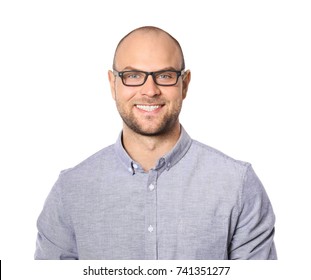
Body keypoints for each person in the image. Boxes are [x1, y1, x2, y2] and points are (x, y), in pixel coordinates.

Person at [35, 26, 277, 260]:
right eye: (133, 76)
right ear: (113, 84)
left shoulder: (237, 185)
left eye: (165, 76)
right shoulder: (70, 190)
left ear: (185, 84)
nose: (150, 90)